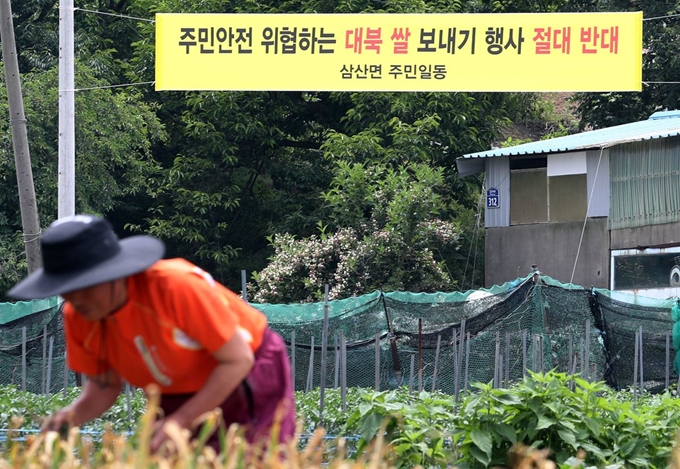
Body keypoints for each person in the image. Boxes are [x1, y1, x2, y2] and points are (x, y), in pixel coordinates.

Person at [8, 214, 296, 453]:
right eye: (65, 289)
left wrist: (181, 420)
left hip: (246, 376)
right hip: (172, 393)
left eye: (84, 285)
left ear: (113, 274)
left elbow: (237, 360)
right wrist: (70, 418)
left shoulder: (175, 287)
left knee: (252, 457)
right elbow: (104, 387)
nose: (75, 298)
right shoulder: (80, 315)